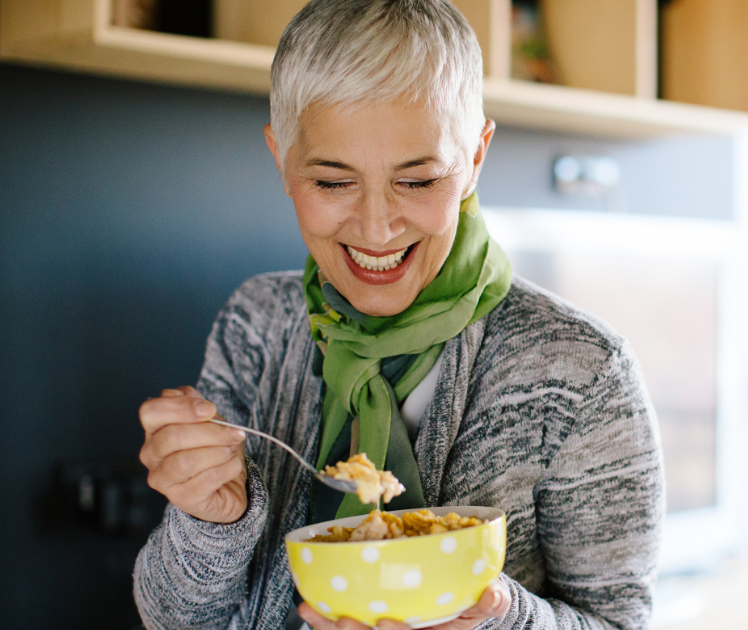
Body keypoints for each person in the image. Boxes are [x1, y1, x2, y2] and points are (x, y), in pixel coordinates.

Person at [131, 1, 665, 629]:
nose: (377, 228)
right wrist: (208, 520)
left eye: (418, 181)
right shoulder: (258, 324)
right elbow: (172, 619)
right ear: (281, 159)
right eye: (332, 182)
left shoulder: (582, 372)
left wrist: (499, 620)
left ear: (474, 158)